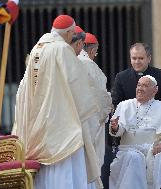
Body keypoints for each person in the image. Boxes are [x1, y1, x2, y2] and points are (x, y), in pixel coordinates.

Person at [12, 15, 101, 189]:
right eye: (71, 33)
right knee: (65, 161)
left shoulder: (38, 48)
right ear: (68, 32)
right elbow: (76, 83)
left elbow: (24, 87)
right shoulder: (61, 49)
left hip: (38, 120)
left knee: (46, 167)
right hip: (60, 121)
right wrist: (90, 109)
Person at [109, 75, 161, 189]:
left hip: (154, 149)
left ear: (155, 90)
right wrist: (115, 127)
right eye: (139, 85)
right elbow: (119, 130)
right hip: (130, 148)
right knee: (134, 157)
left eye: (145, 85)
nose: (140, 88)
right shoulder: (124, 105)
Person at [111, 42, 161, 113]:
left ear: (149, 58)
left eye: (141, 58)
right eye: (134, 58)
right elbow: (115, 104)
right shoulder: (121, 77)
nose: (137, 62)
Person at [78, 32, 112, 168]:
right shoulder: (89, 65)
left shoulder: (71, 62)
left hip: (74, 120)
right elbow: (100, 96)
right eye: (95, 52)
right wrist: (108, 107)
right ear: (92, 50)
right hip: (89, 120)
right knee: (90, 164)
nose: (94, 56)